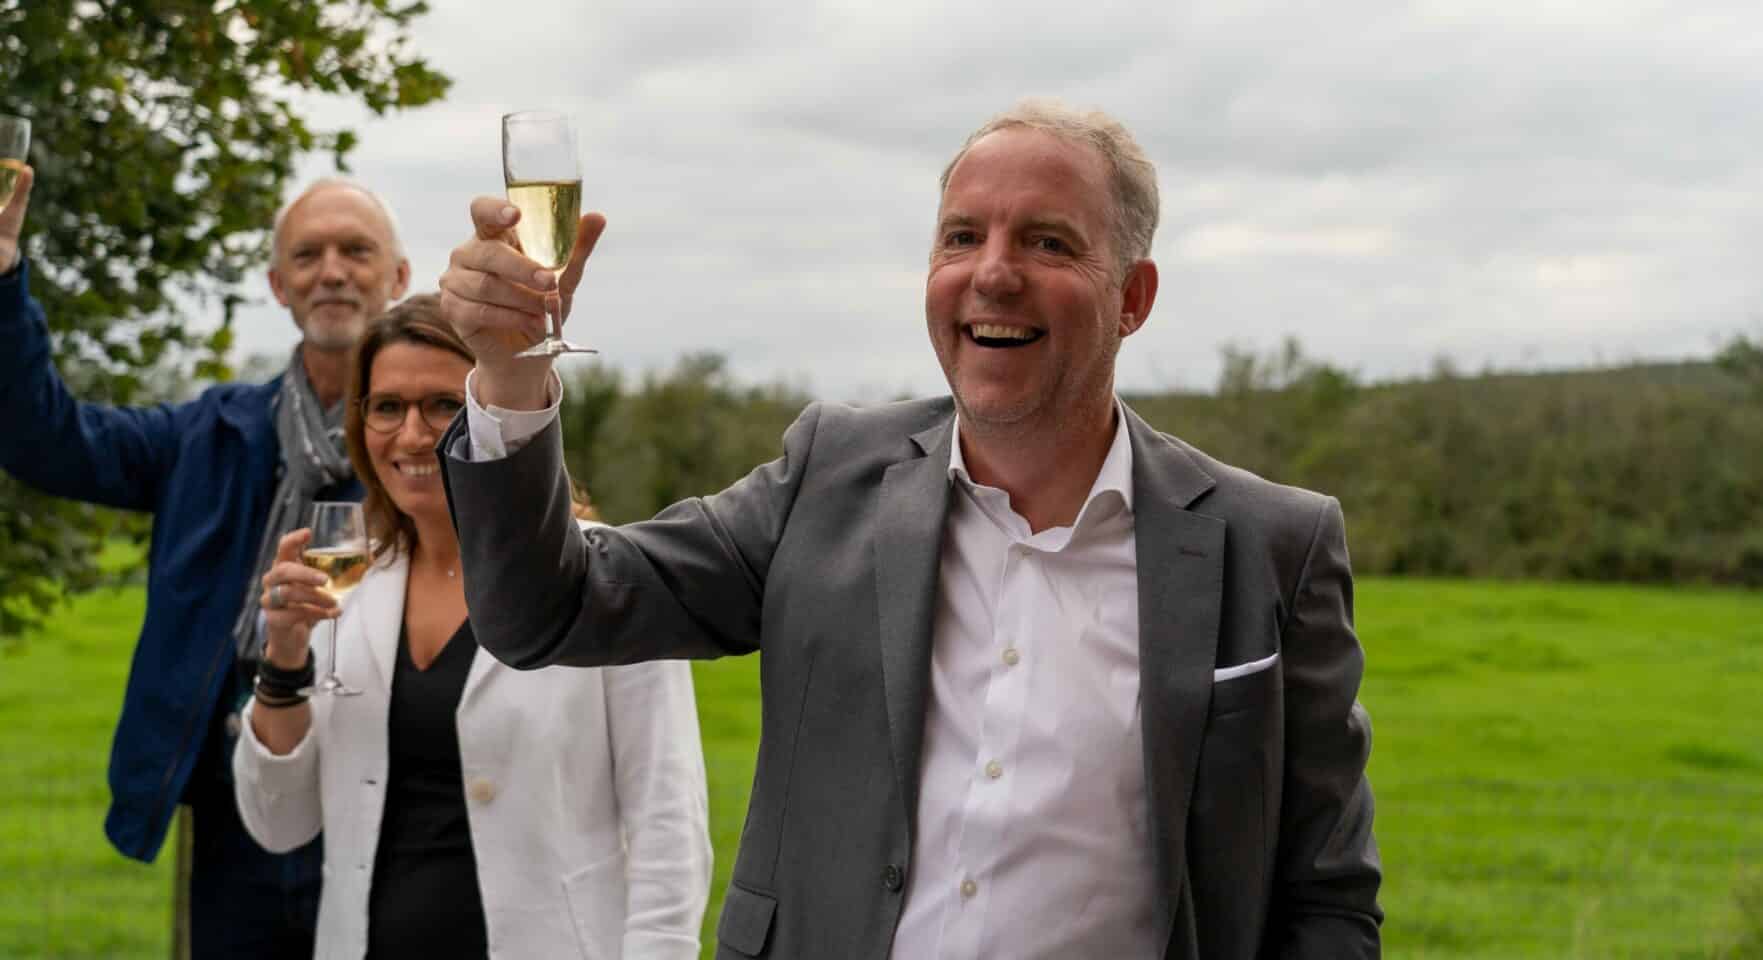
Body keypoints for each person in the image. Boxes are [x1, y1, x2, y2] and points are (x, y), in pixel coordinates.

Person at [435, 99, 1382, 958]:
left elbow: (1325, 896)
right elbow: (547, 611)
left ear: (1132, 297)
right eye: (962, 237)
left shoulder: (1269, 546)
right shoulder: (828, 476)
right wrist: (511, 378)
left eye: (1048, 242)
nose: (993, 274)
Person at [0, 165, 410, 957]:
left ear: (397, 276)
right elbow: (47, 441)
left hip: (386, 784)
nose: (331, 271)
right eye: (307, 255)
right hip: (236, 792)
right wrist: (3, 281)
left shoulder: (429, 444)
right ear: (278, 285)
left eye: (356, 251)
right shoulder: (210, 434)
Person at [233, 295, 711, 958]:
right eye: (387, 407)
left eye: (443, 404)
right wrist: (284, 658)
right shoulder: (346, 582)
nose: (411, 435)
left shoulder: (606, 579)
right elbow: (278, 823)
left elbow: (668, 823)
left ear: (494, 410)